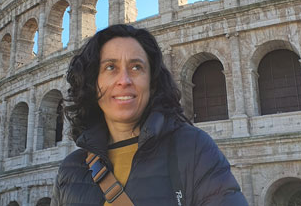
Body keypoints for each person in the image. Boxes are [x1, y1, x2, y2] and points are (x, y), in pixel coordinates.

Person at [51, 24, 248, 205]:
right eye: (110, 67)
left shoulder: (193, 149)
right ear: (93, 83)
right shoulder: (71, 169)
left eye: (136, 67)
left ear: (152, 83)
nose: (124, 80)